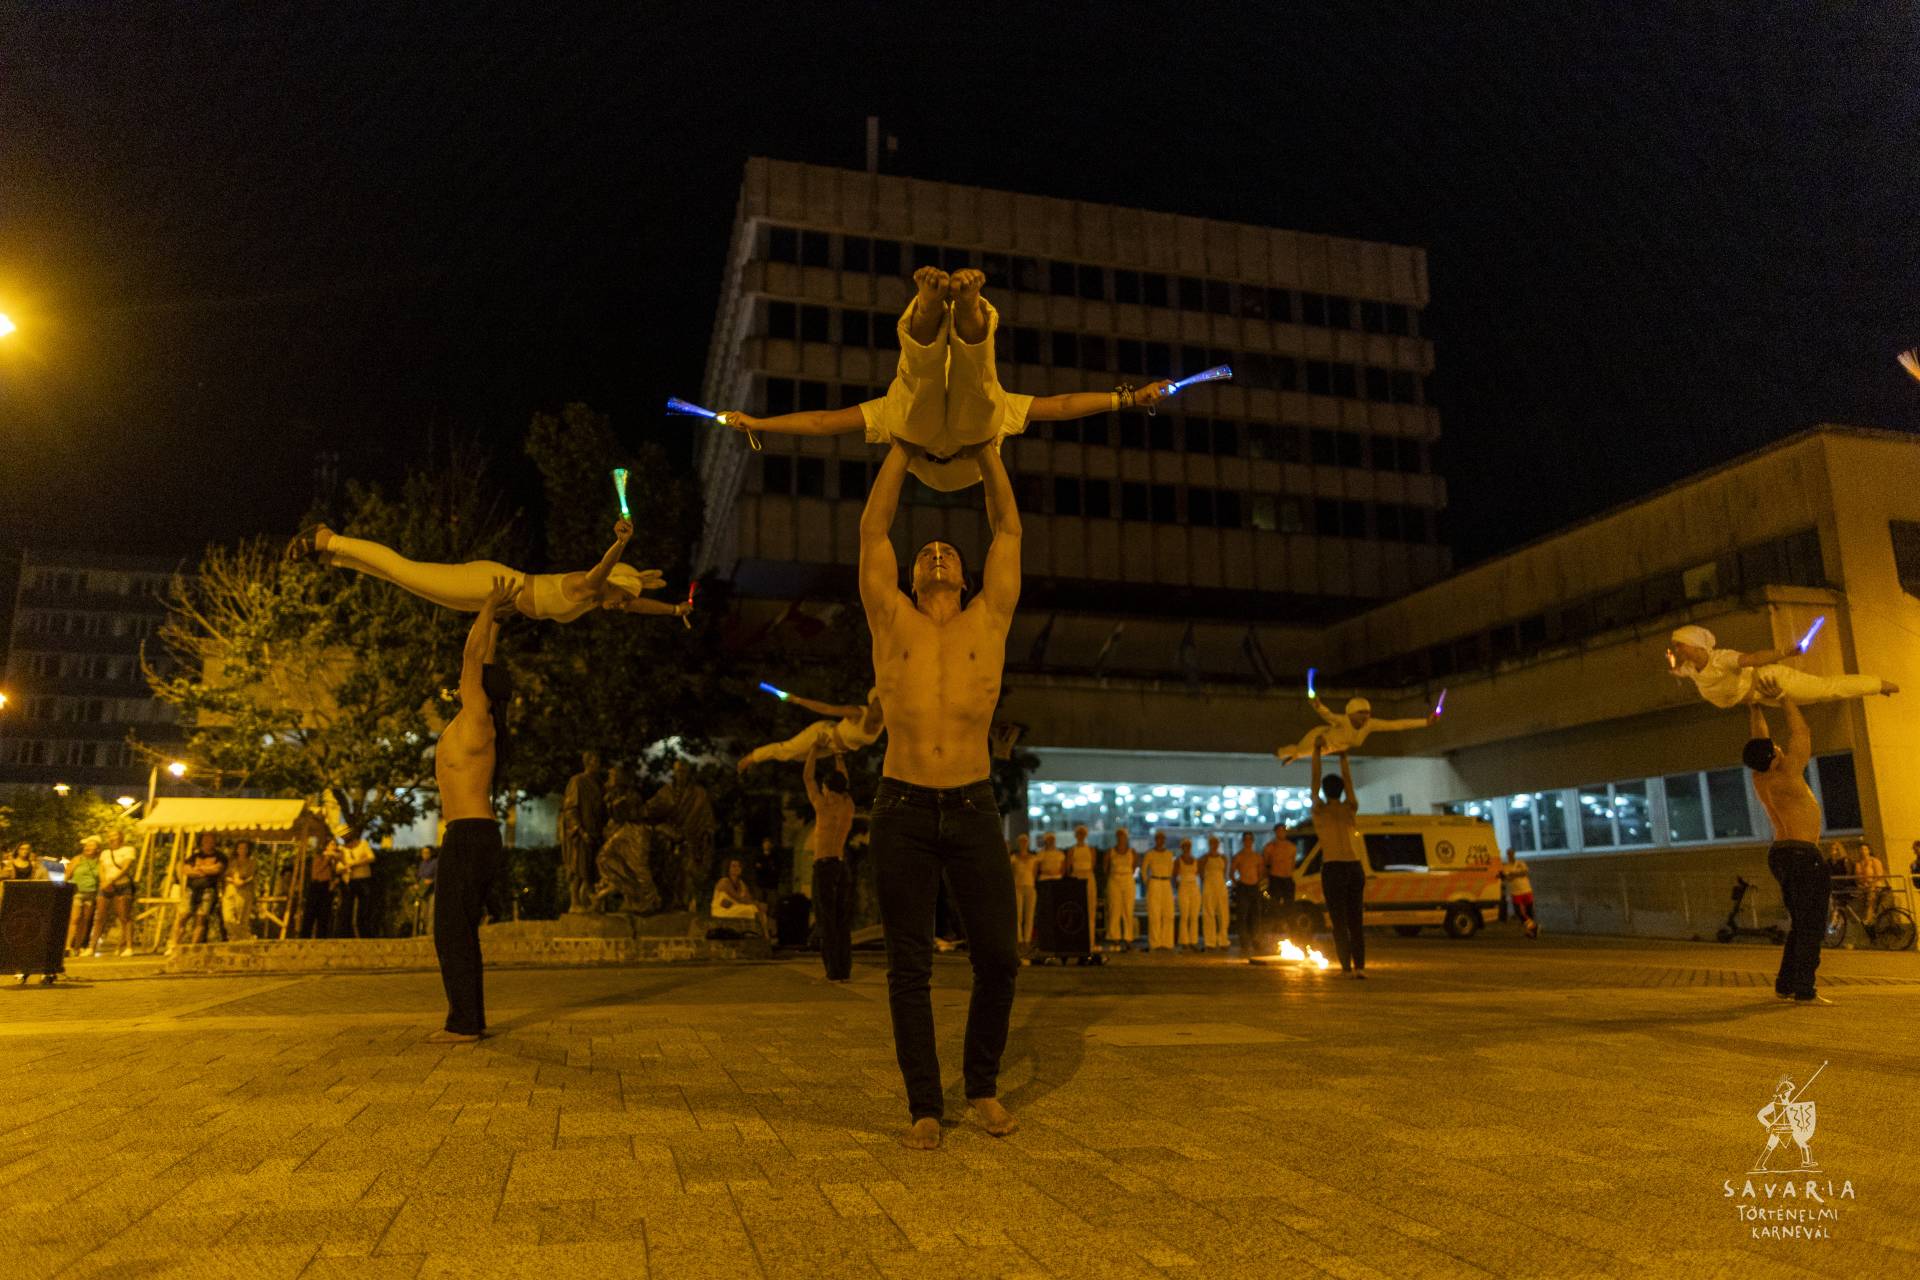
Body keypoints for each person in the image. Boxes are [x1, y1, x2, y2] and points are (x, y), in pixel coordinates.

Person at [857, 432, 1022, 1148]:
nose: (934, 552)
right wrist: (900, 447)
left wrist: (988, 453)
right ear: (911, 573)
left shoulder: (991, 616)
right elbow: (873, 531)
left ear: (965, 573)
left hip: (973, 802)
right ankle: (925, 1104)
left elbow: (1007, 528)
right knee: (910, 965)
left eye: (947, 550)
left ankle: (981, 1085)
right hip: (901, 803)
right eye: (924, 551)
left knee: (999, 957)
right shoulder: (890, 616)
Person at [724, 266, 1174, 491]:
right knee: (974, 377)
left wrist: (761, 423)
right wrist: (1126, 398)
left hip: (922, 442)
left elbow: (824, 423)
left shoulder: (893, 412)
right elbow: (1059, 406)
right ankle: (964, 309)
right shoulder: (996, 410)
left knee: (923, 376)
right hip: (970, 445)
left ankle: (932, 309)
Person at [289, 519, 690, 624]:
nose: (622, 607)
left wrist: (674, 610)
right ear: (614, 586)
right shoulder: (588, 587)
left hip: (492, 597)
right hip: (490, 583)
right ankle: (328, 540)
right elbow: (603, 570)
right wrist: (621, 543)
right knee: (405, 570)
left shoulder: (602, 599)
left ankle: (333, 557)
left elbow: (637, 605)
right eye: (622, 599)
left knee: (403, 579)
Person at [429, 577, 513, 1042]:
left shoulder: (478, 716)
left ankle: (464, 1024)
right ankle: (469, 1020)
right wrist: (496, 622)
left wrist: (486, 605)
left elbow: (471, 657)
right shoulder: (479, 721)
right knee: (459, 930)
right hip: (472, 833)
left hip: (468, 834)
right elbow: (484, 658)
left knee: (451, 931)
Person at [1746, 688, 1832, 1004]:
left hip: (1780, 855)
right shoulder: (1788, 772)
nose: (1780, 747)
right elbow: (1802, 733)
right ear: (1773, 759)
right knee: (1812, 926)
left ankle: (1786, 984)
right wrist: (1785, 698)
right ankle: (1805, 989)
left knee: (1801, 922)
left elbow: (1759, 740)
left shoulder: (1759, 777)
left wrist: (1755, 707)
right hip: (1803, 854)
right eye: (1776, 749)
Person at [1669, 624, 1895, 710]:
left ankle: (1879, 684)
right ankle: (1873, 687)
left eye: (1681, 645)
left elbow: (1754, 658)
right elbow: (1678, 671)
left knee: (1825, 689)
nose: (1678, 650)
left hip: (1769, 681)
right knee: (1815, 699)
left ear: (1697, 645)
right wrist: (1673, 666)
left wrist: (1784, 652)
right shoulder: (1690, 668)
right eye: (1676, 647)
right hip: (1760, 696)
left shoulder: (1721, 659)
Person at [1312, 741, 1366, 979]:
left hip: (1333, 867)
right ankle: (1360, 967)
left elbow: (1314, 781)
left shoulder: (1320, 811)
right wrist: (1343, 758)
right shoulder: (1349, 808)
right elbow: (1350, 784)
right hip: (1353, 865)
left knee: (1339, 921)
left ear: (1325, 791)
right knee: (1356, 920)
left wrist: (1316, 753)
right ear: (1342, 790)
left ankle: (1346, 967)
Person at [738, 687, 886, 771]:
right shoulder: (857, 713)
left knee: (797, 758)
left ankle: (758, 759)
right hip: (823, 734)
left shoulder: (885, 723)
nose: (881, 710)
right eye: (879, 705)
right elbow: (827, 709)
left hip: (833, 749)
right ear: (872, 703)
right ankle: (752, 757)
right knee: (788, 751)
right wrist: (797, 700)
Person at [804, 744, 855, 980]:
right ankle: (844, 968)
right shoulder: (848, 805)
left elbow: (808, 778)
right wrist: (838, 756)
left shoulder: (823, 806)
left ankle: (834, 971)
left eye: (824, 786)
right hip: (841, 866)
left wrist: (813, 751)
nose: (822, 789)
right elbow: (843, 781)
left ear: (827, 788)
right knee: (842, 920)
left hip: (824, 866)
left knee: (826, 920)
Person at [1277, 696, 1433, 765]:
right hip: (1319, 739)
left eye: (1368, 713)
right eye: (1361, 712)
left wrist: (1426, 722)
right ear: (1350, 713)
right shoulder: (1342, 720)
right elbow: (1327, 714)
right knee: (1298, 751)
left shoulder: (1370, 724)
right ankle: (1280, 753)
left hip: (1329, 750)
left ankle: (1292, 755)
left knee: (1300, 753)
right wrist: (1317, 705)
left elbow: (1396, 725)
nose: (1366, 716)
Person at [560, 751, 607, 913]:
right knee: (578, 868)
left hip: (596, 832)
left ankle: (588, 901)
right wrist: (579, 830)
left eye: (599, 761)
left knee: (592, 869)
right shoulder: (577, 781)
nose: (598, 764)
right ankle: (575, 901)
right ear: (587, 762)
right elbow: (570, 809)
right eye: (595, 760)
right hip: (580, 834)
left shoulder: (599, 784)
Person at [168, 834, 227, 953]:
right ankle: (174, 945)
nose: (208, 842)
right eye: (205, 840)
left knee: (201, 918)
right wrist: (206, 869)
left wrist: (199, 868)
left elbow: (217, 869)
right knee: (182, 916)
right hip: (191, 890)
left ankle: (193, 947)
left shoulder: (220, 856)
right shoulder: (194, 856)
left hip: (208, 890)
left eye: (210, 840)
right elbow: (186, 870)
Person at [90, 829, 139, 956]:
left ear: (121, 837)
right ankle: (91, 947)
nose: (112, 838)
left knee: (124, 916)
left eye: (115, 835)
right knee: (99, 916)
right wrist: (103, 882)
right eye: (110, 836)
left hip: (122, 885)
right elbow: (101, 868)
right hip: (106, 886)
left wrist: (112, 880)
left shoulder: (128, 850)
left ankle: (128, 946)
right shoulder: (105, 853)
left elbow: (126, 867)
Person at [711, 857, 772, 941]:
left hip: (736, 908)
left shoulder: (741, 883)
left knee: (757, 909)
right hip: (722, 910)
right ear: (728, 869)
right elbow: (738, 898)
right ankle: (763, 934)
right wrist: (758, 904)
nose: (736, 868)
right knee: (752, 908)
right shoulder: (724, 882)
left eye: (739, 866)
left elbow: (749, 899)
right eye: (733, 866)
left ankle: (765, 934)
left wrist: (758, 904)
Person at [1231, 832, 1267, 960]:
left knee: (1255, 915)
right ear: (1243, 841)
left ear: (1252, 841)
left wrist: (1257, 882)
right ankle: (1244, 941)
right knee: (1243, 915)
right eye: (1246, 839)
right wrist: (1237, 884)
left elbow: (1261, 872)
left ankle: (1256, 940)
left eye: (1250, 839)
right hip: (1243, 887)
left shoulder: (1257, 856)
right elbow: (1231, 872)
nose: (1248, 842)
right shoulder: (1239, 856)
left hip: (1254, 887)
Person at [335, 829, 378, 937]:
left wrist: (356, 863)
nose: (344, 837)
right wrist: (344, 867)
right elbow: (338, 867)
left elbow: (371, 857)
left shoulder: (363, 844)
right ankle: (346, 934)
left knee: (364, 908)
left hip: (364, 879)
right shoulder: (342, 849)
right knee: (347, 907)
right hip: (349, 881)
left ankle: (365, 934)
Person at [1102, 827, 1138, 951]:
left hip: (1128, 880)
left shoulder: (1132, 852)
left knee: (1128, 909)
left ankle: (1128, 938)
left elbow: (1134, 867)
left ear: (1126, 837)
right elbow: (1105, 868)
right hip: (1114, 880)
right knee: (1115, 908)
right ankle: (1115, 937)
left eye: (1123, 836)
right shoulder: (1110, 851)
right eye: (1119, 836)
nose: (1121, 838)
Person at [65, 838, 102, 955]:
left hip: (91, 893)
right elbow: (67, 875)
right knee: (75, 919)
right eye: (86, 846)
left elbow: (101, 878)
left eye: (91, 846)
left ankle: (78, 946)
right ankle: (67, 946)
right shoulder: (77, 859)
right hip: (77, 893)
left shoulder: (99, 862)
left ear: (97, 849)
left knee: (85, 921)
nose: (88, 848)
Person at [1065, 824, 1099, 949]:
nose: (1081, 836)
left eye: (1083, 833)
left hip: (1088, 877)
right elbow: (1068, 867)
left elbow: (1093, 865)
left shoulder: (1091, 849)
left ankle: (1091, 941)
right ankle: (1077, 940)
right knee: (1076, 908)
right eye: (1079, 833)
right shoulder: (1072, 850)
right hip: (1076, 877)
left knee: (1090, 908)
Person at [1141, 831, 1176, 952]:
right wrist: (1147, 882)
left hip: (1166, 882)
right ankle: (1155, 943)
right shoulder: (1150, 854)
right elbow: (1144, 869)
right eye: (1158, 838)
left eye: (1162, 838)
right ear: (1155, 840)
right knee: (1154, 913)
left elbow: (1171, 869)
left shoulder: (1169, 854)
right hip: (1154, 881)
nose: (1160, 840)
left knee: (1168, 913)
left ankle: (1167, 942)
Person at [300, 840, 337, 939]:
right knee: (311, 912)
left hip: (327, 887)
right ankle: (305, 936)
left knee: (324, 913)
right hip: (317, 885)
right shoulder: (319, 857)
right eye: (332, 844)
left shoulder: (334, 859)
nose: (334, 847)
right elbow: (316, 872)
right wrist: (327, 859)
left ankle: (322, 936)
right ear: (326, 846)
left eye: (335, 844)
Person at [222, 839, 258, 941]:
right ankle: (241, 937)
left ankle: (240, 939)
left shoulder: (252, 862)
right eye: (240, 848)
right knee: (228, 918)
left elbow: (252, 876)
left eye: (245, 848)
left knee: (242, 918)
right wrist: (233, 880)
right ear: (236, 849)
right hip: (230, 890)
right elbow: (225, 875)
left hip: (244, 891)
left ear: (248, 850)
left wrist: (244, 881)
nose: (242, 850)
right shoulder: (231, 862)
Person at [1199, 835, 1230, 951]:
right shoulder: (1204, 858)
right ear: (1209, 844)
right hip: (1209, 885)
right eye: (1212, 843)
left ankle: (1223, 940)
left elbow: (1225, 873)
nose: (1214, 845)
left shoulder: (1223, 858)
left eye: (1216, 843)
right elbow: (1201, 873)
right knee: (1208, 913)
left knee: (1223, 913)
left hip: (1220, 885)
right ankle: (1210, 942)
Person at [1009, 834, 1039, 950]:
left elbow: (1035, 873)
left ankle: (1027, 940)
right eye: (1021, 841)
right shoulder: (1013, 858)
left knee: (1029, 915)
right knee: (1018, 915)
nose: (1023, 843)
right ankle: (1019, 940)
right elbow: (1011, 873)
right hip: (1018, 887)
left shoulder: (1034, 858)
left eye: (1025, 841)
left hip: (1030, 887)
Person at [1502, 848, 1537, 938]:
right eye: (1508, 853)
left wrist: (1512, 874)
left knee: (1529, 911)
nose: (1510, 855)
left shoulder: (1520, 863)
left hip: (1526, 889)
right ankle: (1533, 927)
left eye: (1511, 853)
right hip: (1515, 892)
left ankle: (1531, 932)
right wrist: (1514, 874)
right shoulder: (1506, 866)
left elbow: (1525, 872)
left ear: (1514, 853)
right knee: (1519, 912)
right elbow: (1507, 878)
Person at [1174, 838, 1201, 950]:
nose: (1187, 847)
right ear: (1182, 847)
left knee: (1194, 916)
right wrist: (1178, 887)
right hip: (1183, 886)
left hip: (1194, 886)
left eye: (1189, 845)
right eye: (1185, 845)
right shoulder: (1178, 860)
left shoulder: (1195, 860)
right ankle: (1184, 941)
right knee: (1184, 915)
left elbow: (1198, 873)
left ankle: (1193, 941)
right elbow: (1174, 876)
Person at [1262, 824, 1298, 906]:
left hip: (1288, 879)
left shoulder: (1292, 847)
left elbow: (1293, 863)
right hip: (1275, 879)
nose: (1281, 833)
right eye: (1279, 831)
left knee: (1289, 904)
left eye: (1283, 830)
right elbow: (1265, 864)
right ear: (1276, 832)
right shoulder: (1269, 847)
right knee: (1275, 904)